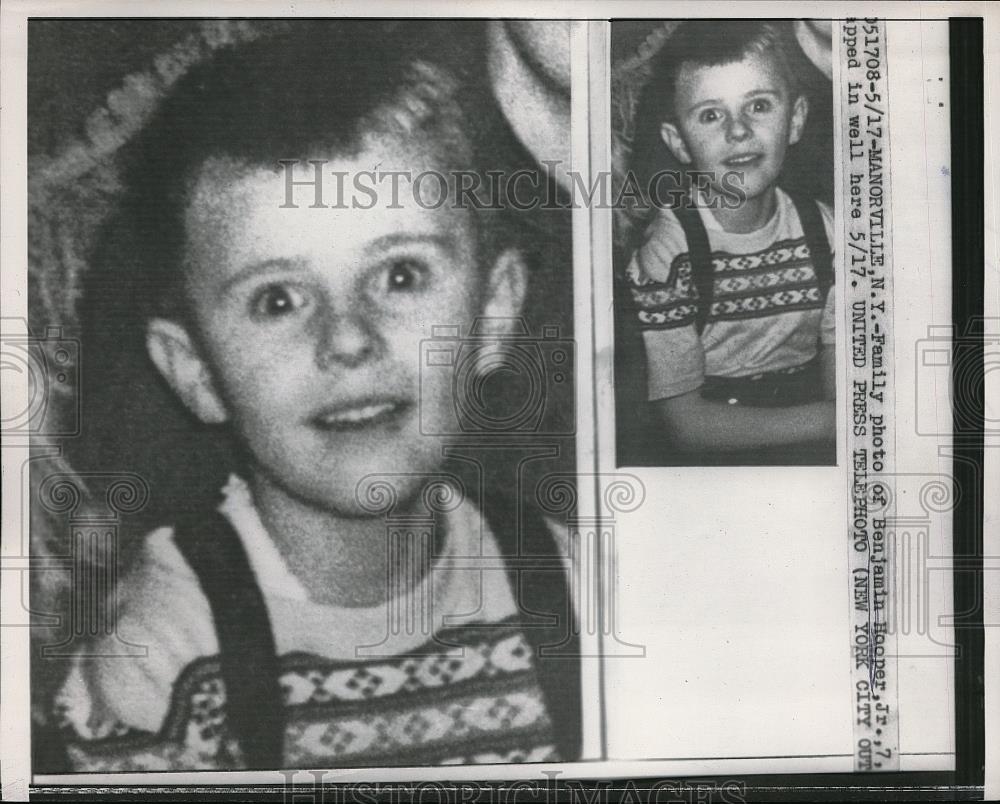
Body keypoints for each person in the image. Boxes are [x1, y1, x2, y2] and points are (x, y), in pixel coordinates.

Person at [49, 24, 579, 771]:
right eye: (276, 300)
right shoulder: (162, 658)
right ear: (195, 369)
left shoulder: (570, 588)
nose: (349, 339)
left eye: (400, 275)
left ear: (493, 315)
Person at [624, 21, 836, 462]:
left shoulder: (826, 231)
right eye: (710, 114)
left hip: (811, 423)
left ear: (795, 120)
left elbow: (844, 373)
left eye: (758, 105)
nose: (738, 131)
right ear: (679, 144)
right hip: (714, 442)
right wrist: (834, 421)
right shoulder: (669, 255)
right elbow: (685, 424)